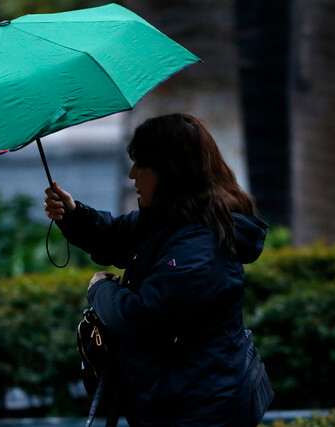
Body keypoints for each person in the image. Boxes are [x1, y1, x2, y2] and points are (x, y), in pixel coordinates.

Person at [44, 113, 268, 427]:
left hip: (200, 410)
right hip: (174, 400)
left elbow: (142, 316)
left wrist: (100, 289)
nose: (132, 175)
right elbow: (116, 236)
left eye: (141, 165)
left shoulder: (200, 244)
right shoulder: (171, 220)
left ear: (169, 170)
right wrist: (73, 214)